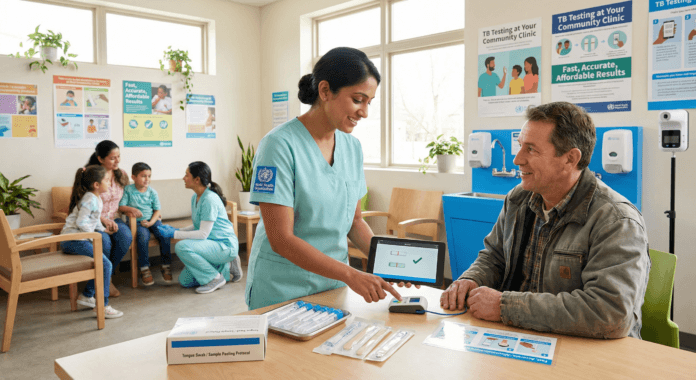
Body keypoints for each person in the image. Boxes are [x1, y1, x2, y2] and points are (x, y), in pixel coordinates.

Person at [440, 102, 650, 339]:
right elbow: (495, 256)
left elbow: (611, 313)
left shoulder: (616, 220)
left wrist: (505, 306)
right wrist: (471, 279)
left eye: (531, 149)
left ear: (570, 159)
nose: (517, 159)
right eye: (520, 146)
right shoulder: (518, 199)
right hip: (524, 337)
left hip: (588, 351)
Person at [244, 46, 403, 310]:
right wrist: (351, 274)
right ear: (325, 91)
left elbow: (355, 221)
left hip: (333, 286)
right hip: (281, 288)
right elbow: (281, 239)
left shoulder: (352, 148)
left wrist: (391, 262)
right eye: (358, 99)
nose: (364, 111)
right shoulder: (278, 145)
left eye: (369, 102)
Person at [158, 162, 241, 294]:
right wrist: (178, 230)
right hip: (210, 245)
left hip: (224, 246)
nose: (183, 178)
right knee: (185, 281)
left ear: (197, 180)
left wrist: (174, 234)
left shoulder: (209, 199)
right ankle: (226, 267)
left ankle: (215, 278)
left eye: (186, 175)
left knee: (181, 246)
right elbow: (198, 226)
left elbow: (202, 234)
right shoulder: (195, 198)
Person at [60, 165, 124, 319]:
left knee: (102, 261)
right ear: (96, 185)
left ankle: (87, 295)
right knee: (105, 264)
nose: (109, 184)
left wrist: (103, 230)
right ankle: (102, 306)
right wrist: (93, 236)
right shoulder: (90, 199)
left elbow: (93, 221)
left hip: (77, 239)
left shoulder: (95, 198)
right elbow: (82, 222)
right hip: (72, 240)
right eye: (107, 181)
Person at [86, 140, 133, 297]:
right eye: (113, 158)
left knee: (126, 236)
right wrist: (102, 220)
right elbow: (83, 203)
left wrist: (130, 208)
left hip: (113, 217)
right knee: (104, 242)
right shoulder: (90, 174)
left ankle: (107, 276)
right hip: (94, 220)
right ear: (100, 159)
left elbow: (122, 201)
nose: (117, 161)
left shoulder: (122, 174)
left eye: (119, 156)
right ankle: (101, 281)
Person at [119, 162, 172, 286]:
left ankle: (166, 265)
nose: (147, 179)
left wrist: (151, 223)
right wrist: (131, 210)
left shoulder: (152, 192)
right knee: (143, 237)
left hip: (152, 220)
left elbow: (157, 210)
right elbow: (121, 206)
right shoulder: (128, 189)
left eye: (149, 176)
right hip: (137, 223)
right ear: (133, 177)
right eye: (143, 176)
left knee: (164, 234)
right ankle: (144, 268)